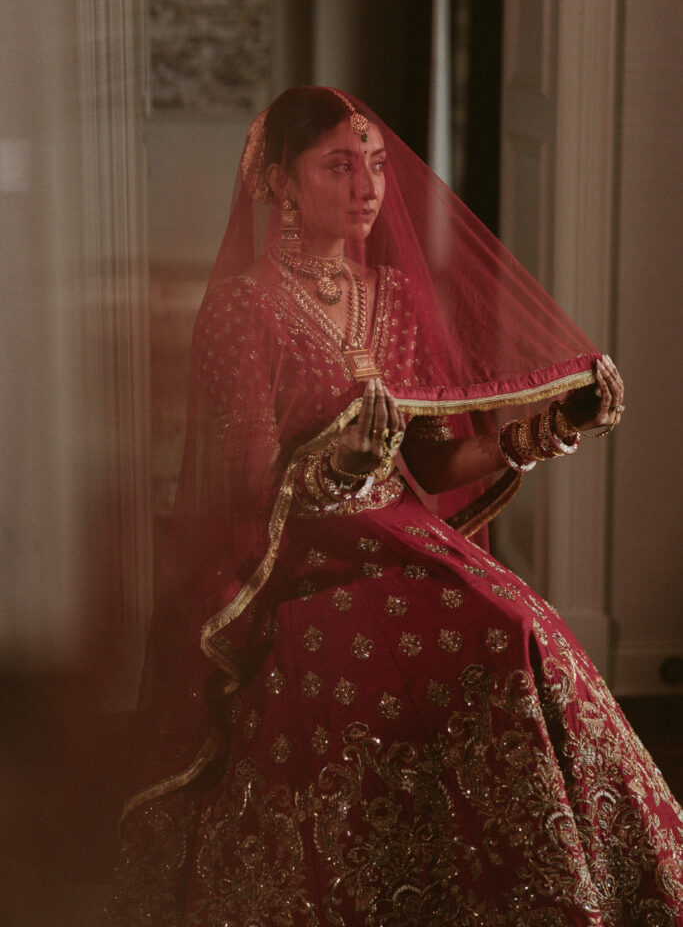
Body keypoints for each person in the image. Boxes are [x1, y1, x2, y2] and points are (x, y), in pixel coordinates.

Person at [105, 88, 682, 927]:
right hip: (296, 554)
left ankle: (558, 889)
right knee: (477, 638)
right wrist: (338, 471)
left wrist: (550, 428)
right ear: (281, 183)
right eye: (339, 166)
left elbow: (434, 459)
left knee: (521, 628)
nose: (367, 186)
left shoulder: (395, 295)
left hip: (403, 536)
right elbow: (246, 480)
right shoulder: (243, 308)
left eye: (375, 164)